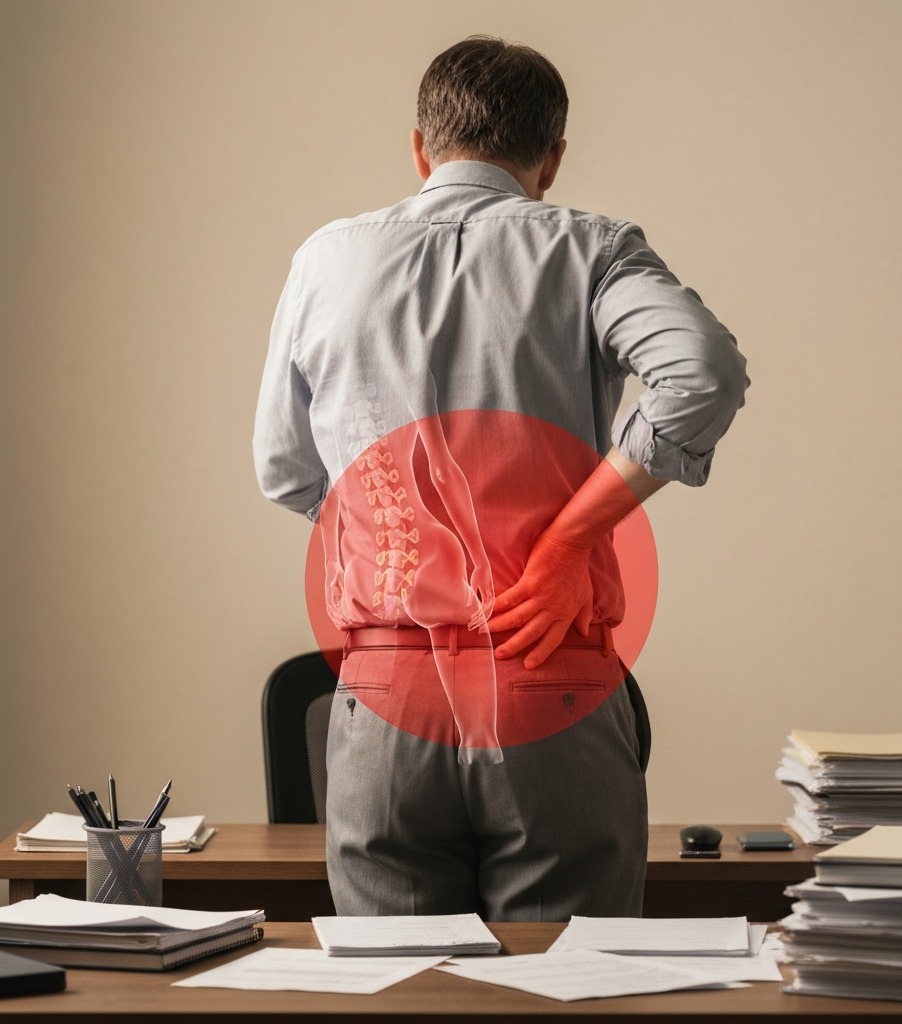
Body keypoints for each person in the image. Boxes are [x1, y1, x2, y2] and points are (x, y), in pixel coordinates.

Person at [253, 35, 749, 920]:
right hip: (546, 675)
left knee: (401, 994)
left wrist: (399, 548)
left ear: (420, 147)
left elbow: (284, 466)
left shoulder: (325, 260)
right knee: (568, 989)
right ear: (551, 159)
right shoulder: (591, 251)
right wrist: (567, 540)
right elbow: (700, 372)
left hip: (382, 694)